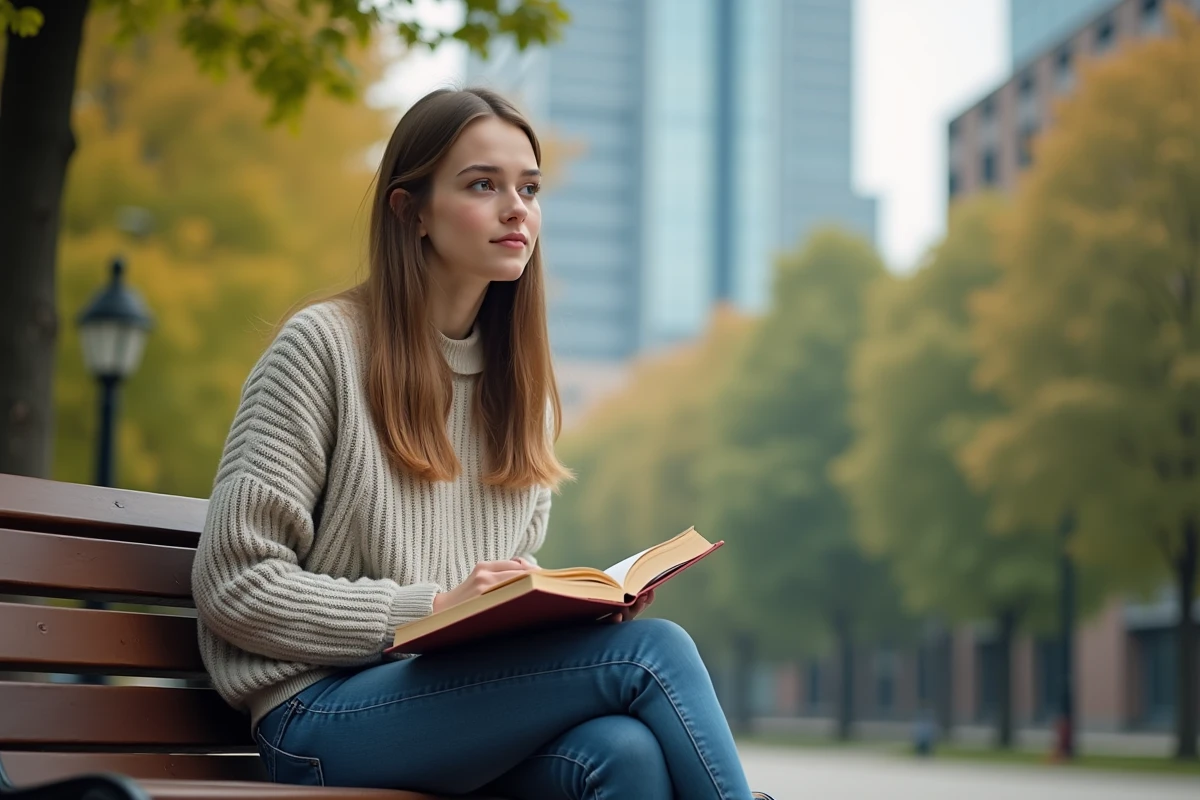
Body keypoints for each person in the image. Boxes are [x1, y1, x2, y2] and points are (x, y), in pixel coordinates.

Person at [192, 87, 773, 800]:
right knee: (654, 654)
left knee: (624, 754)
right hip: (316, 717)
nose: (516, 209)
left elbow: (490, 600)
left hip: (442, 707)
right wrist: (429, 610)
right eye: (482, 185)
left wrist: (560, 607)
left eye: (529, 188)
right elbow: (234, 587)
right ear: (413, 213)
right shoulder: (321, 351)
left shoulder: (516, 386)